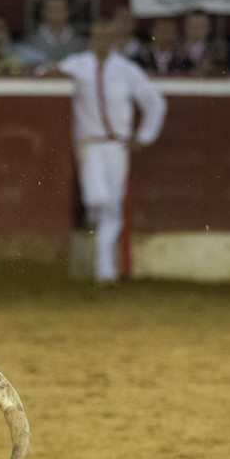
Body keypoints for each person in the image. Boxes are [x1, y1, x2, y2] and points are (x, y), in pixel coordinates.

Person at [57, 20, 166, 284]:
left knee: (112, 207)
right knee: (98, 198)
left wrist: (143, 137)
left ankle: (105, 271)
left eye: (107, 37)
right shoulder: (76, 64)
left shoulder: (127, 70)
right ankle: (91, 221)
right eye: (97, 36)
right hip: (89, 144)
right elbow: (44, 74)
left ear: (115, 39)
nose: (101, 42)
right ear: (91, 39)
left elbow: (156, 103)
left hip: (117, 146)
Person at [22, 0, 86, 67]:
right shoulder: (31, 41)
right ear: (42, 12)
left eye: (59, 9)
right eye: (51, 9)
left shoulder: (80, 43)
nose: (55, 13)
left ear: (67, 11)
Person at [179, 8, 220, 77]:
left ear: (209, 27)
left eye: (201, 25)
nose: (197, 29)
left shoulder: (217, 50)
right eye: (193, 25)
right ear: (186, 26)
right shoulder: (176, 48)